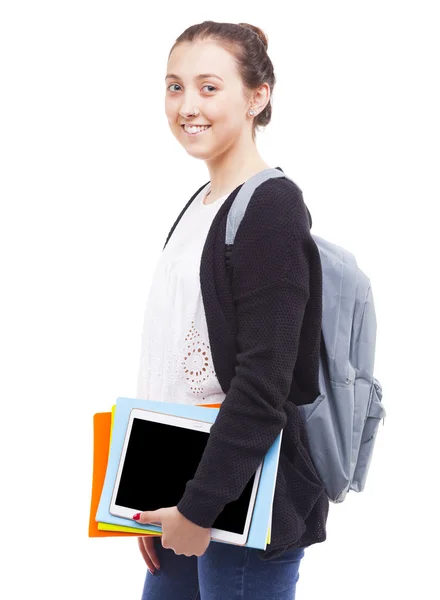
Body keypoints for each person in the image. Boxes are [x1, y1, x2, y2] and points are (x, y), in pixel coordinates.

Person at [134, 20, 329, 600]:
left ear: (257, 97)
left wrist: (197, 508)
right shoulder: (202, 203)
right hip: (186, 491)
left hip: (241, 504)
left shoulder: (271, 208)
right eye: (175, 87)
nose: (187, 105)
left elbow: (262, 385)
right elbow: (172, 363)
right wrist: (146, 493)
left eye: (209, 87)